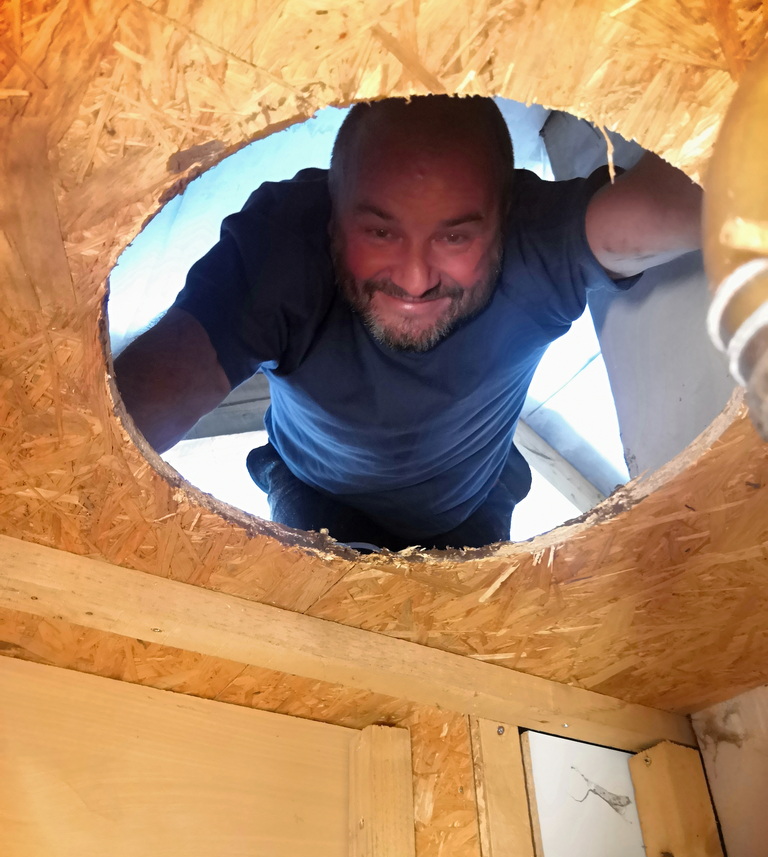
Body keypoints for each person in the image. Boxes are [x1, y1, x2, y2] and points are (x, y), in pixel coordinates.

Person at [114, 96, 702, 551]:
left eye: (455, 237)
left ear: (504, 220)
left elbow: (683, 203)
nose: (416, 279)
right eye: (380, 232)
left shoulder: (537, 241)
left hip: (472, 500)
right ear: (332, 217)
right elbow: (147, 396)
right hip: (315, 489)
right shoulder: (279, 249)